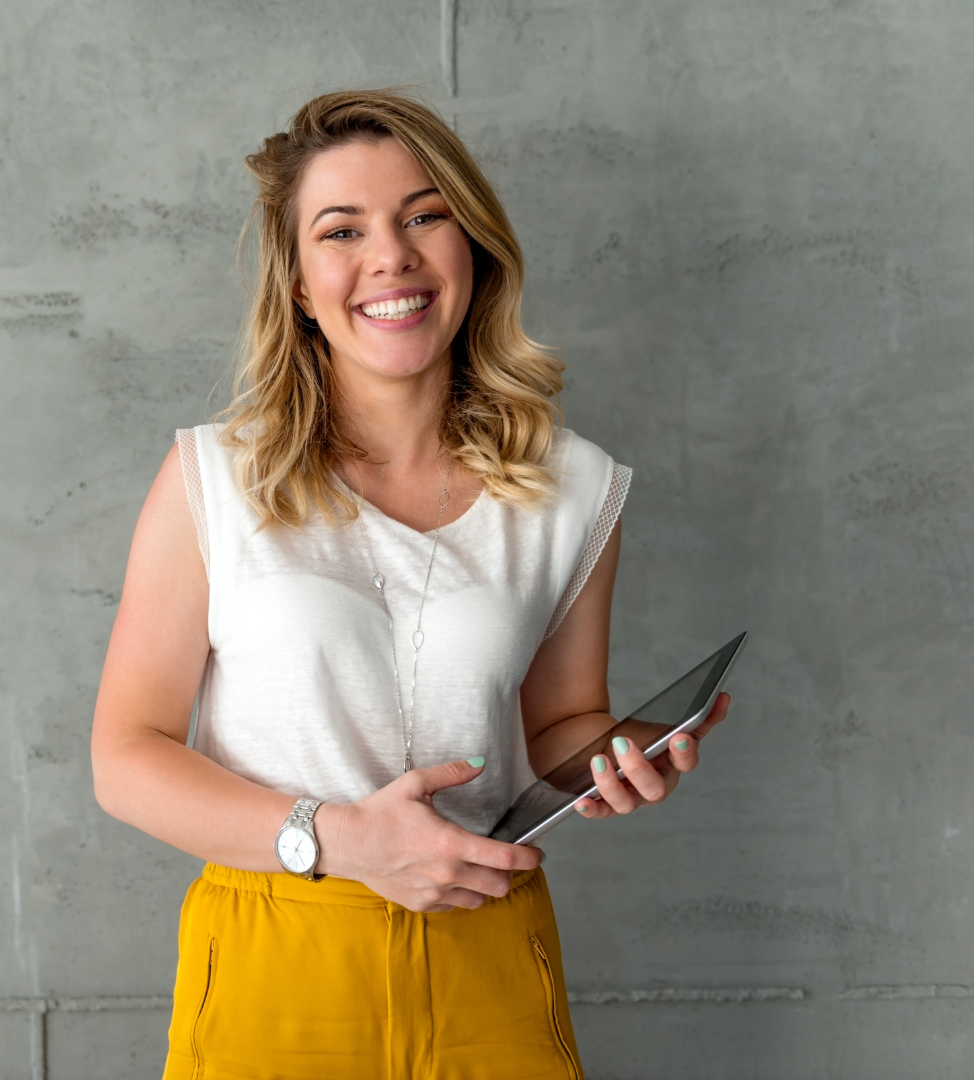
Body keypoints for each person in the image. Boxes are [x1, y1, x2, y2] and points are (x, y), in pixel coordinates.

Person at [91, 88, 729, 1080]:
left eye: (424, 216)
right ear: (300, 285)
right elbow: (125, 758)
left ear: (472, 246)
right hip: (275, 957)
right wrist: (335, 840)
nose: (391, 256)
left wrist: (617, 759)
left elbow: (559, 727)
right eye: (342, 230)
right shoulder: (213, 479)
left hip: (488, 956)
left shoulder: (573, 488)